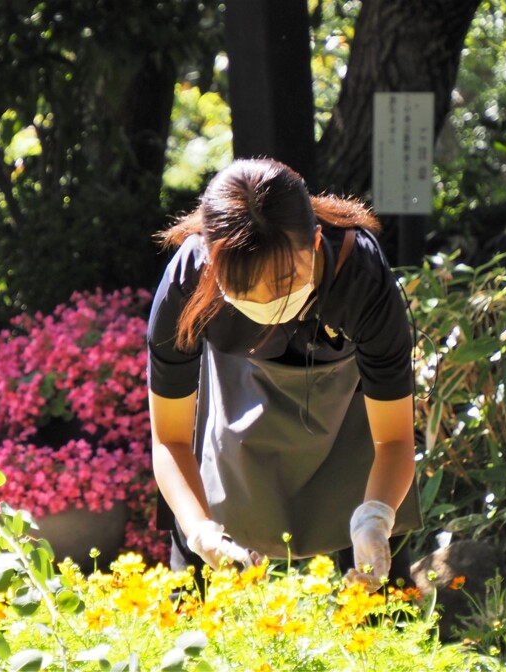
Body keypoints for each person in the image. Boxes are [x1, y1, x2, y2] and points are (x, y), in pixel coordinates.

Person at [148, 158, 422, 591]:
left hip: (348, 422)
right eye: (243, 290)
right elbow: (171, 439)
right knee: (191, 599)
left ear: (315, 241)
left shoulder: (361, 276)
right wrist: (200, 531)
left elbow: (393, 439)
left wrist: (377, 516)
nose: (269, 304)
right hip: (233, 409)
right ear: (212, 264)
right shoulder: (187, 283)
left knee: (383, 597)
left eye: (284, 283)